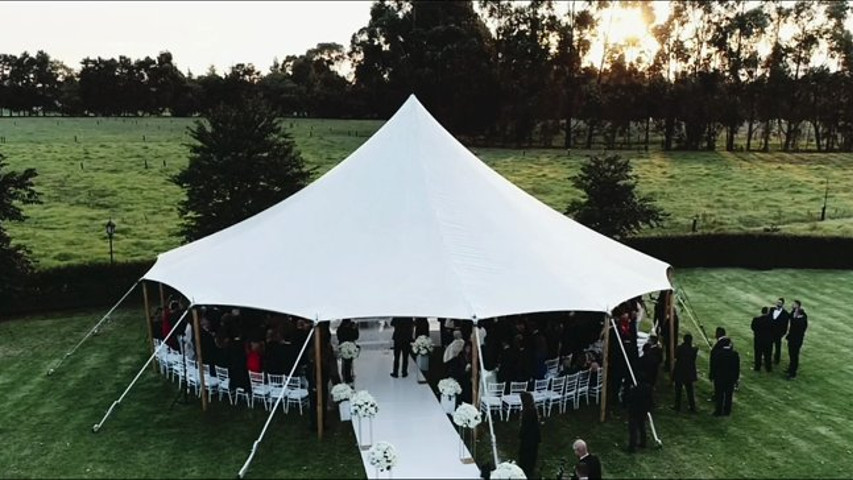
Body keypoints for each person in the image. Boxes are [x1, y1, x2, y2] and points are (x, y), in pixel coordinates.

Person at [711, 338, 740, 416]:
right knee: (728, 395)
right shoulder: (734, 354)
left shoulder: (719, 353)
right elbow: (736, 368)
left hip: (719, 377)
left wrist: (712, 375)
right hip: (730, 378)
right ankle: (727, 411)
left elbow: (715, 366)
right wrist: (736, 378)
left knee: (719, 394)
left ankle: (718, 411)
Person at [625, 380, 653, 453]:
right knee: (642, 427)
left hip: (634, 411)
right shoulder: (648, 389)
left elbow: (629, 399)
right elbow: (650, 400)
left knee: (633, 430)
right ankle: (643, 443)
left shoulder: (635, 389)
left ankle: (632, 447)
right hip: (643, 411)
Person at [672, 333, 698, 413]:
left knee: (678, 390)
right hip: (689, 372)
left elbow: (675, 356)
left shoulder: (680, 348)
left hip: (680, 371)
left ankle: (677, 406)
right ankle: (692, 406)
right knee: (690, 391)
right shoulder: (693, 350)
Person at [517, 391, 541, 479]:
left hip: (529, 438)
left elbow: (526, 426)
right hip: (532, 438)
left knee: (526, 456)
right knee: (530, 456)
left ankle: (526, 470)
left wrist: (521, 434)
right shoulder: (532, 409)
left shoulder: (529, 411)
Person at [786, 300, 809, 379]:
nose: (792, 305)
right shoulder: (794, 313)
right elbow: (789, 317)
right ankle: (790, 368)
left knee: (794, 356)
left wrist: (795, 318)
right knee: (791, 354)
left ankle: (793, 373)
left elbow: (798, 326)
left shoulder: (801, 320)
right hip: (791, 338)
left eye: (794, 304)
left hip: (796, 340)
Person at [337, 319, 359, 384]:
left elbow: (339, 336)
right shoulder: (351, 326)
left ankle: (346, 376)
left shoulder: (341, 327)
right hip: (350, 345)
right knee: (348, 361)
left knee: (346, 361)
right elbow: (356, 336)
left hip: (344, 345)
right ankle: (348, 377)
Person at [751, 307, 773, 372]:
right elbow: (773, 330)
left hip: (758, 340)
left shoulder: (756, 319)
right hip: (767, 340)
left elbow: (753, 327)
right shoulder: (771, 321)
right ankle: (768, 368)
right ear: (767, 312)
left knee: (758, 354)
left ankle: (757, 367)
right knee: (768, 355)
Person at [770, 298, 790, 365]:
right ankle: (768, 357)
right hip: (770, 332)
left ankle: (776, 360)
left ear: (782, 304)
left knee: (777, 347)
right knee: (768, 345)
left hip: (778, 333)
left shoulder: (785, 314)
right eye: (778, 302)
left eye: (780, 303)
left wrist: (782, 334)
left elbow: (785, 325)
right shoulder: (771, 310)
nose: (778, 304)